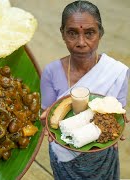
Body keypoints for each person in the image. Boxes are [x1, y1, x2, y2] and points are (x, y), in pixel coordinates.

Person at [40, 1, 129, 179]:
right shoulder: (51, 72)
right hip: (65, 155)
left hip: (103, 154)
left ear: (100, 34)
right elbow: (47, 118)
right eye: (72, 33)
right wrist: (46, 122)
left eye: (89, 33)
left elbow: (118, 113)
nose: (81, 42)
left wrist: (115, 127)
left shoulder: (116, 72)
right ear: (63, 34)